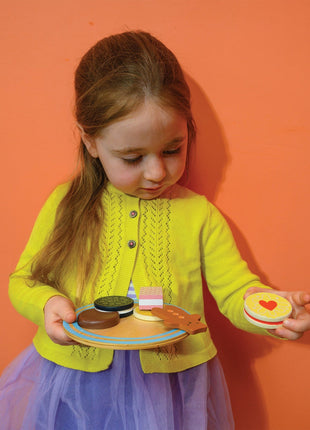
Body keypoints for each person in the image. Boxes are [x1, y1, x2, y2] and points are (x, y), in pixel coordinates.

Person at [1, 31, 309, 430]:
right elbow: (23, 280)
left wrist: (272, 312)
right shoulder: (65, 204)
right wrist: (47, 305)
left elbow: (235, 290)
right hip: (79, 382)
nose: (156, 172)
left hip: (169, 385)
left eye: (172, 149)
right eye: (132, 157)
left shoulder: (198, 215)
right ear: (90, 142)